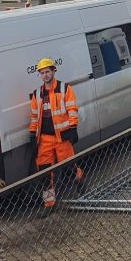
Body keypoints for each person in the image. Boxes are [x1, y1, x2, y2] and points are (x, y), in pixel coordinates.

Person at [29, 58, 81, 210]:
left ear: (53, 71)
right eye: (42, 73)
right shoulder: (37, 93)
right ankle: (49, 203)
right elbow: (34, 116)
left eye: (47, 72)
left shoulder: (64, 88)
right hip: (44, 139)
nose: (45, 75)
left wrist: (73, 128)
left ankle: (79, 182)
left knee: (69, 168)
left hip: (62, 137)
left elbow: (72, 109)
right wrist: (32, 134)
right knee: (44, 173)